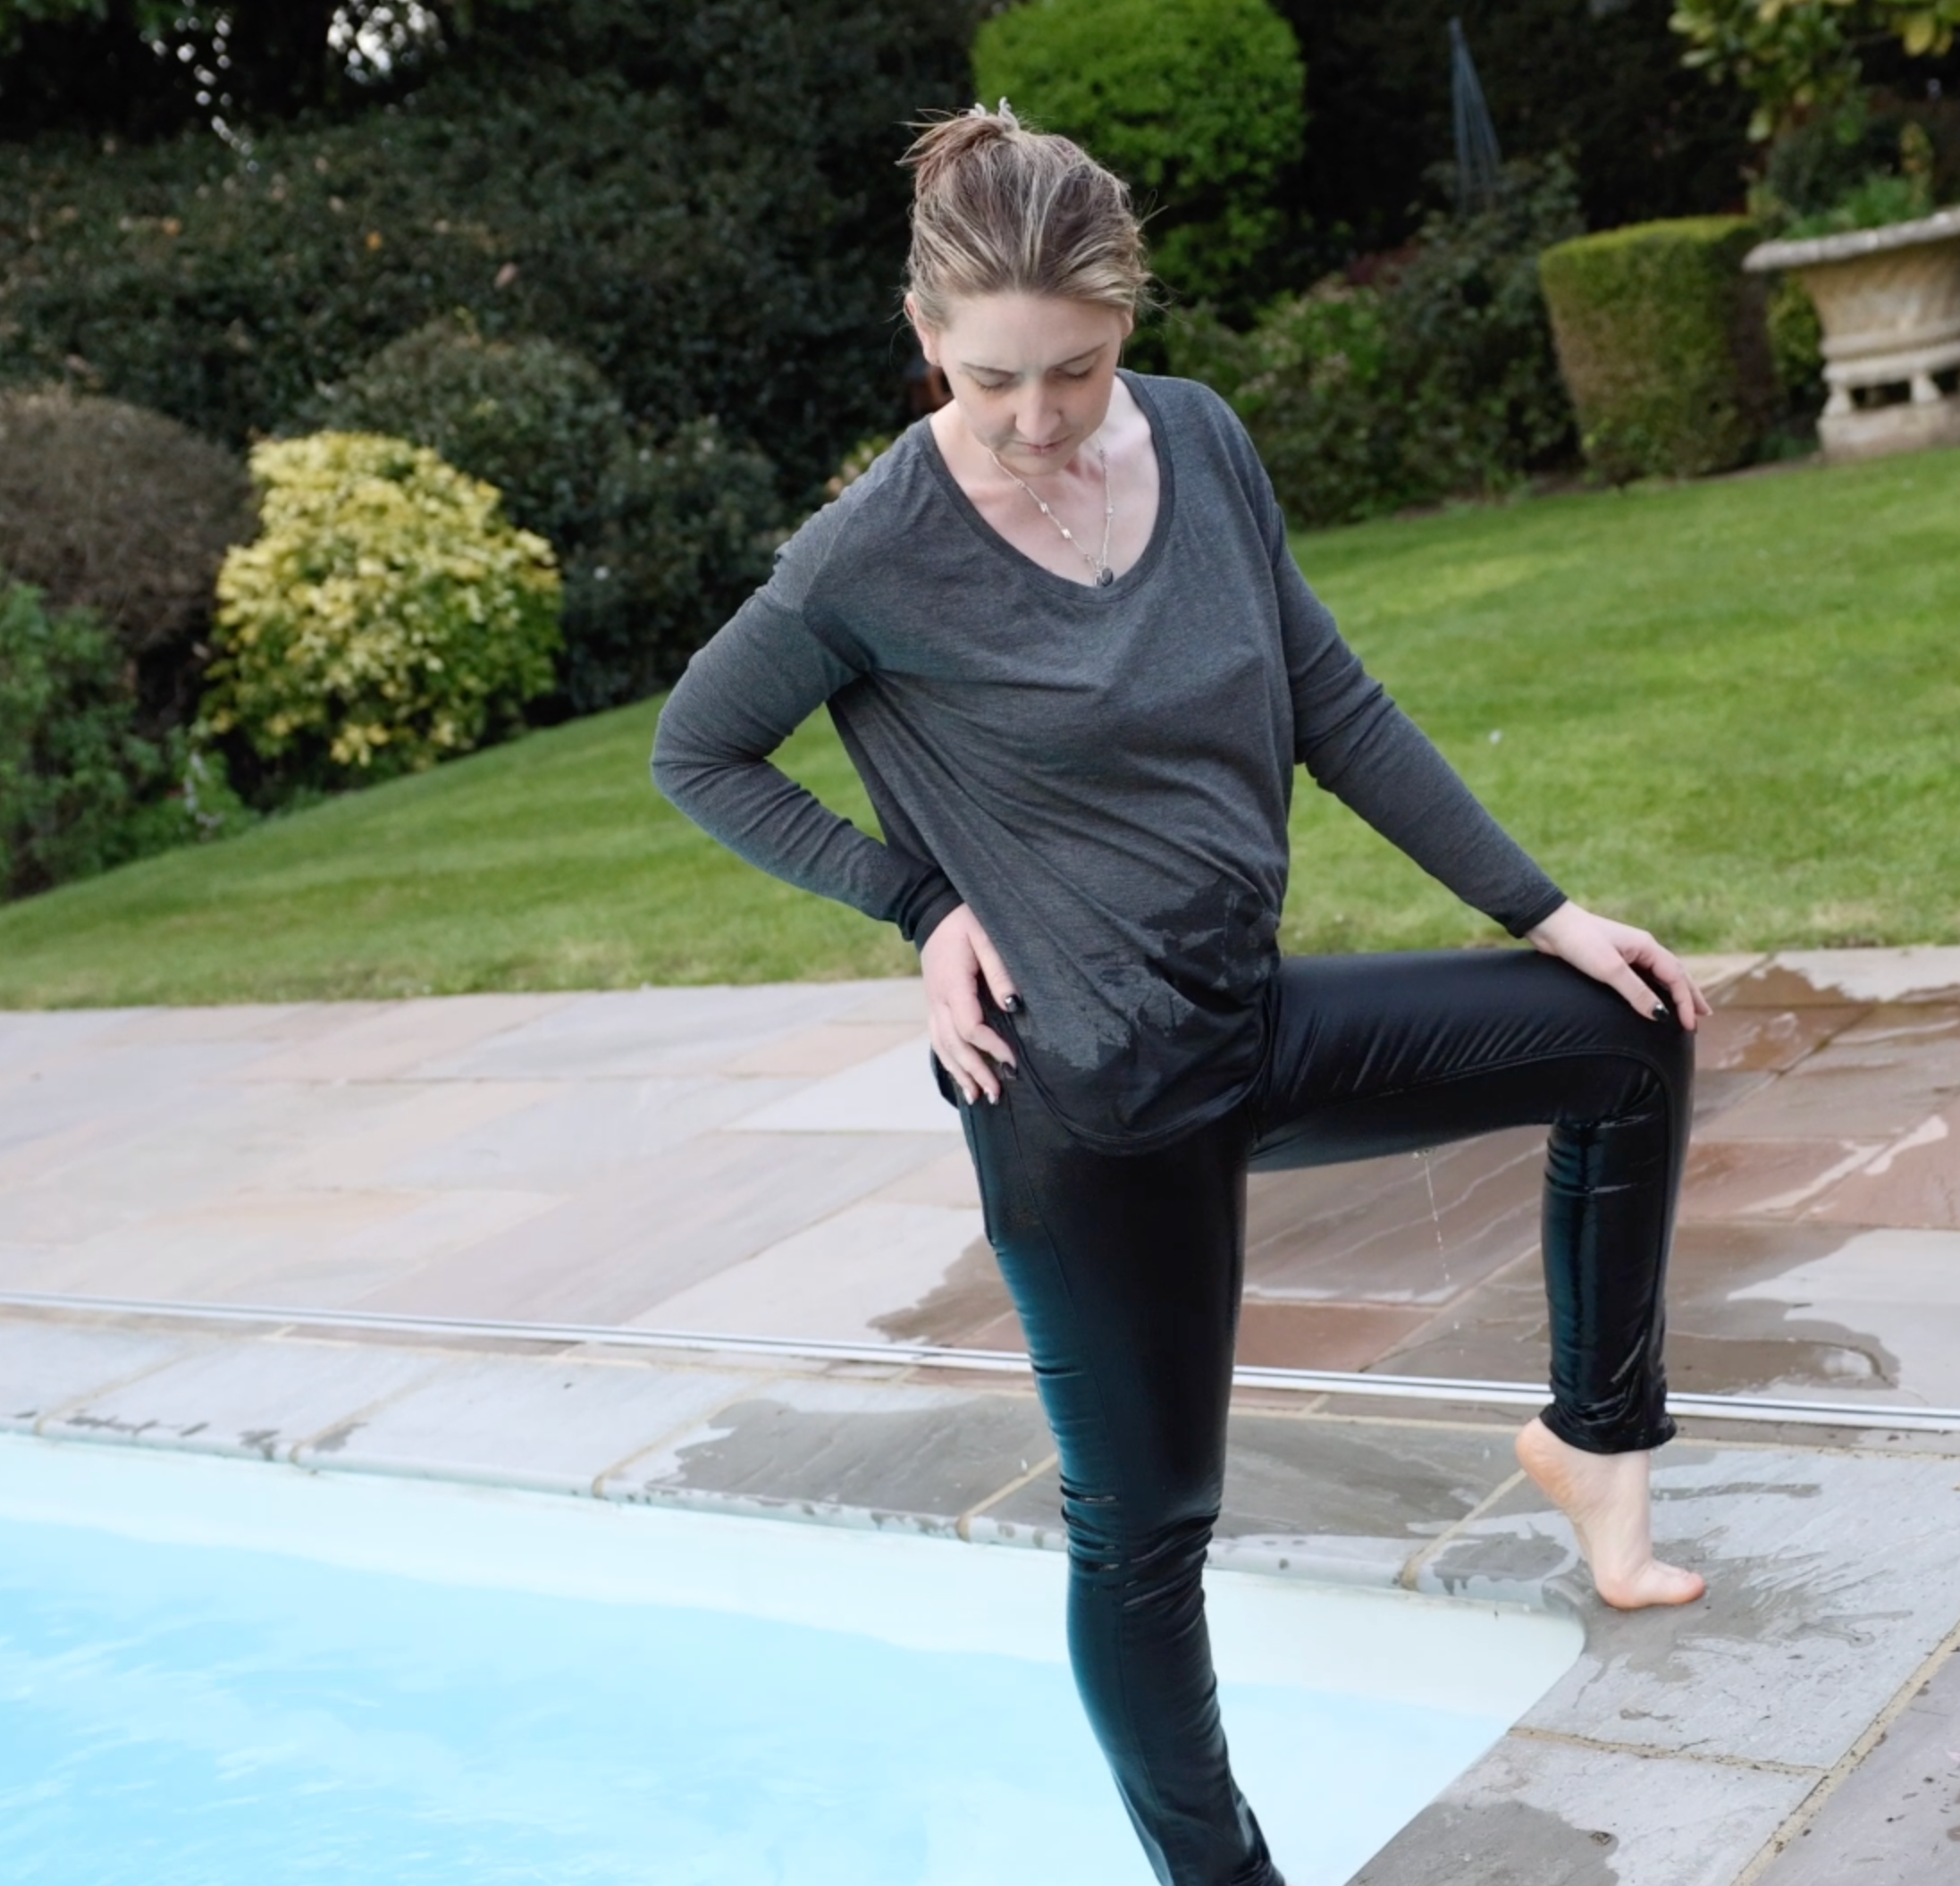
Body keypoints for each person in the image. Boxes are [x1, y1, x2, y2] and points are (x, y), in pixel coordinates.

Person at [651, 103, 1709, 1886]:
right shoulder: (870, 555)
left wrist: (1541, 906)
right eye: (992, 379)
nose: (1038, 418)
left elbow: (1333, 702)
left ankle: (1592, 1443)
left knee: (1630, 1032)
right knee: (1148, 1532)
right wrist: (917, 897)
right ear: (927, 343)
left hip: (1250, 1017)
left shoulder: (1203, 445)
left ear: (1129, 320)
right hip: (1083, 1100)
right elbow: (701, 749)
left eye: (1075, 367)